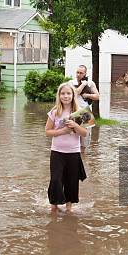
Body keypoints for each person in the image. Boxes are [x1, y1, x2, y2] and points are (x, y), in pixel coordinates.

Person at [45, 83, 88, 214]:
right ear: (59, 96)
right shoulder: (54, 112)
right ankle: (54, 205)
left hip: (73, 152)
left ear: (73, 95)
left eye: (68, 93)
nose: (66, 96)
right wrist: (62, 131)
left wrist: (75, 125)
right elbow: (47, 132)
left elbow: (85, 133)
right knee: (56, 179)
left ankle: (69, 207)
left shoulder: (81, 111)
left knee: (71, 180)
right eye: (63, 93)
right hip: (57, 152)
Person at [68, 65, 99, 148]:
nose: (78, 74)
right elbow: (75, 93)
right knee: (73, 139)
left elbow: (97, 96)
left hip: (86, 112)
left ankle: (84, 159)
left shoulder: (91, 83)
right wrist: (83, 84)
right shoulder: (71, 83)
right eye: (77, 72)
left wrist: (87, 95)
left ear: (85, 73)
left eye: (81, 73)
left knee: (84, 142)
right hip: (74, 112)